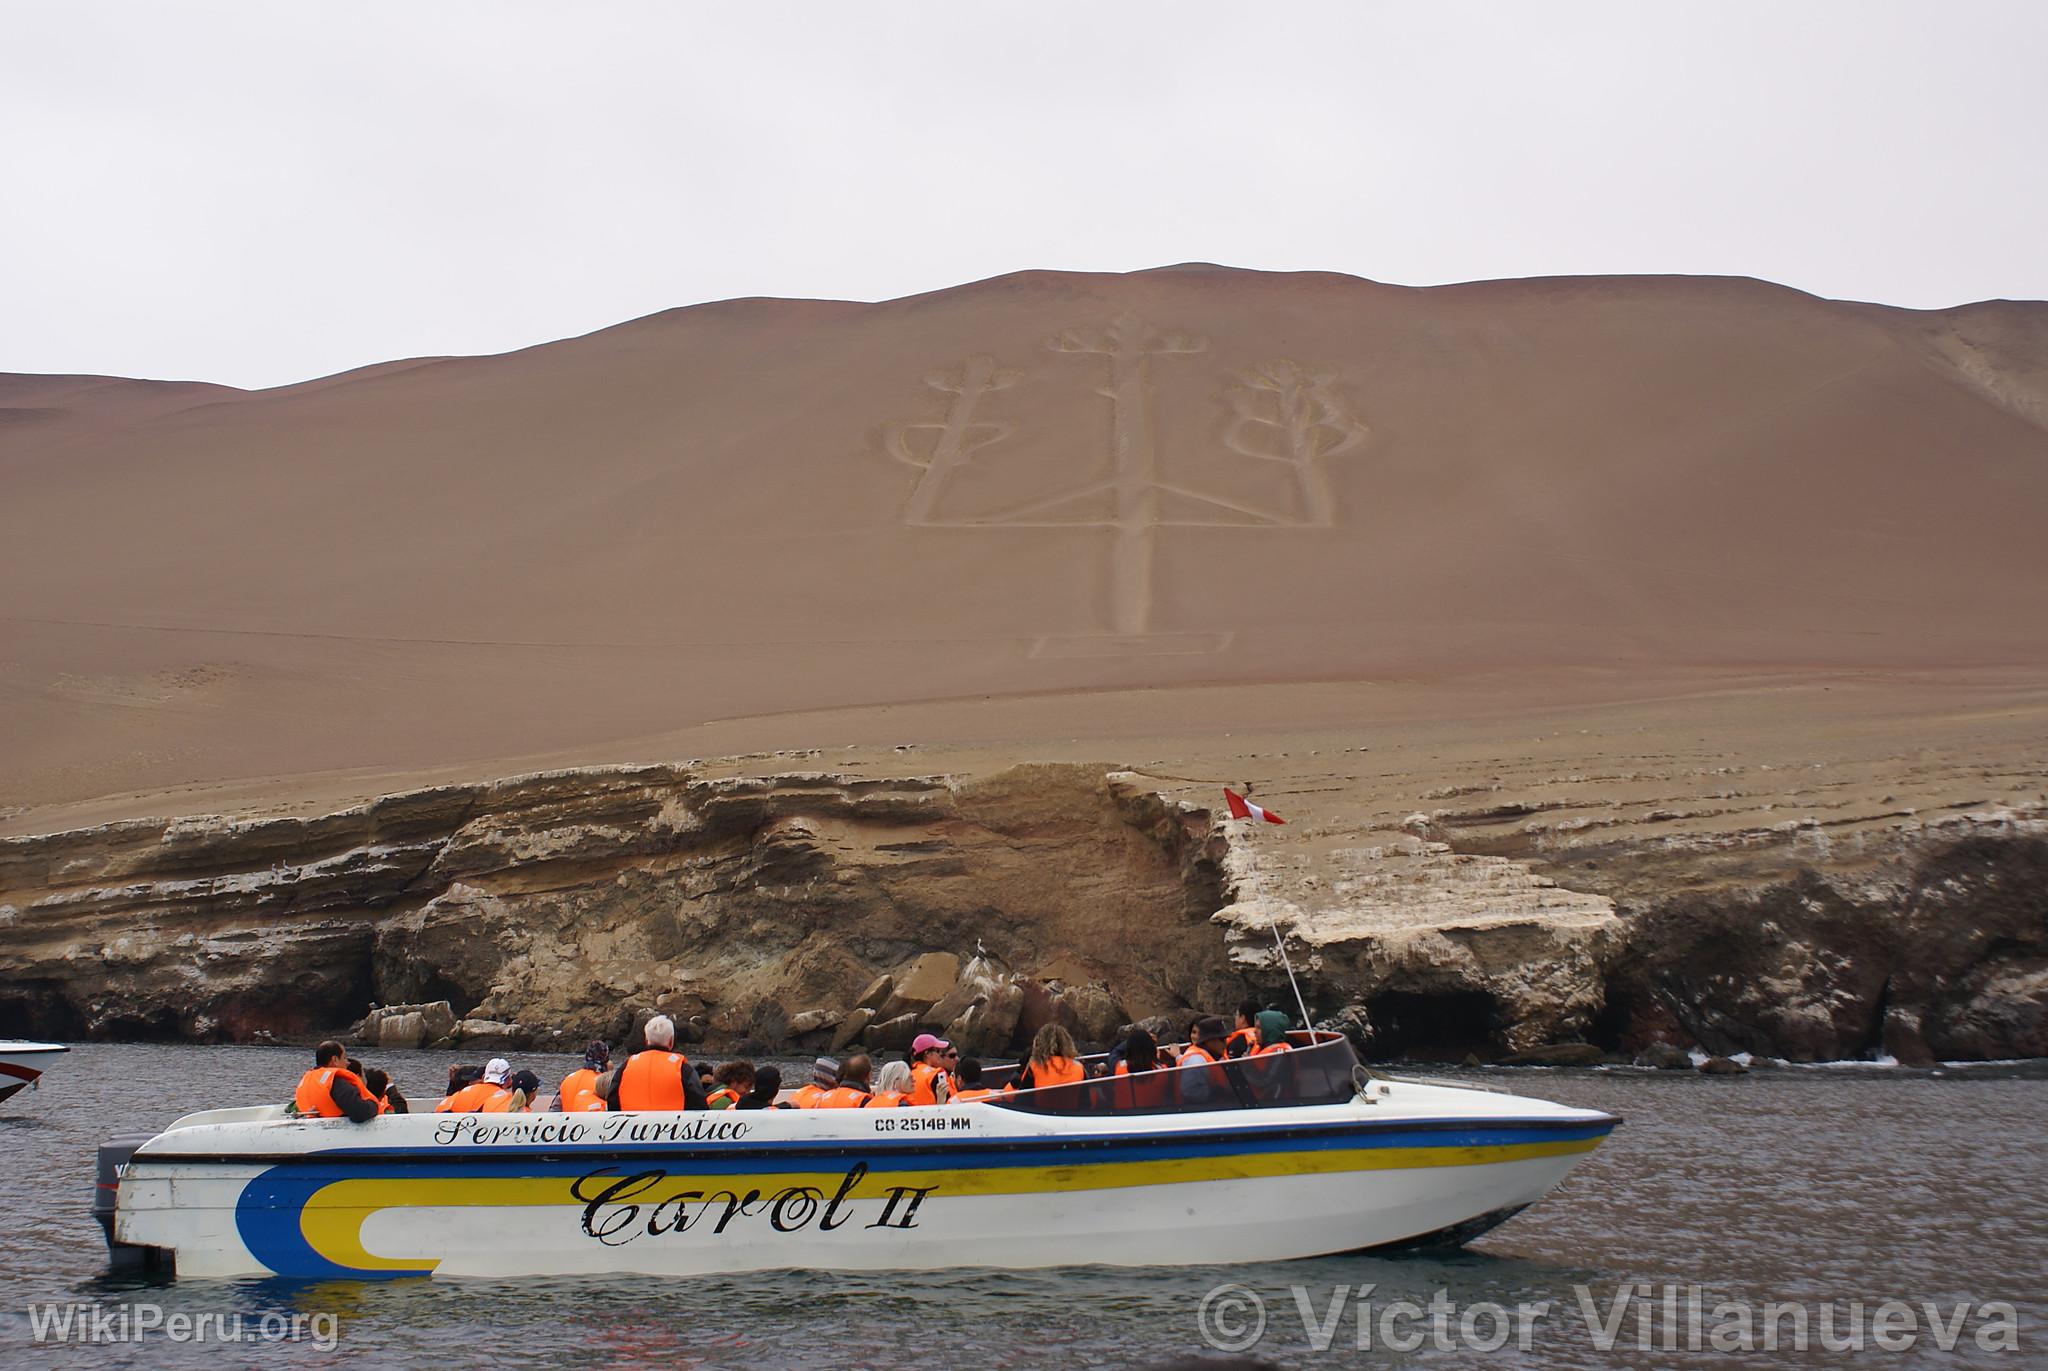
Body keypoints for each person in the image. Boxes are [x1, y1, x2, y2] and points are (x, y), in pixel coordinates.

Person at [605, 1015, 706, 1111]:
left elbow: (612, 1100)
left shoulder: (626, 1066)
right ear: (671, 1041)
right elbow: (698, 1102)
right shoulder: (682, 1069)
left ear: (646, 1040)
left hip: (633, 1126)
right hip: (672, 1127)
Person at [292, 1041, 379, 1122]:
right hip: (336, 1133)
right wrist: (373, 1104)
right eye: (344, 1057)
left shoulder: (307, 1080)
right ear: (335, 1060)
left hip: (314, 1129)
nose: (347, 1063)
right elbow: (360, 1113)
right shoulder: (336, 1082)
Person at [1175, 1017, 1234, 1105]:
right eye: (1222, 1040)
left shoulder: (1216, 1055)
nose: (1225, 1043)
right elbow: (1190, 1092)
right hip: (1196, 1112)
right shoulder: (1196, 1060)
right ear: (1209, 1040)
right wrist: (1218, 1091)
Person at [1011, 1024, 1085, 1093]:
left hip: (1038, 1107)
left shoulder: (1035, 1065)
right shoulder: (1079, 1067)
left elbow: (1023, 1095)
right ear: (1068, 1043)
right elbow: (1086, 1100)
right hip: (1069, 1106)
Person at [1111, 1029, 1171, 1110]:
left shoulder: (1119, 1067)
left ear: (1129, 1048)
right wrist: (1156, 1060)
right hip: (1154, 1115)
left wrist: (1133, 1040)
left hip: (1124, 1116)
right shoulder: (1163, 1070)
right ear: (1151, 1048)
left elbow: (1115, 1053)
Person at [439, 1057, 516, 1112]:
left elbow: (441, 1109)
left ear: (483, 1077)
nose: (469, 1082)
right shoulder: (507, 1099)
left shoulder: (459, 1094)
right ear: (509, 1081)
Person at [558, 1041, 610, 1113]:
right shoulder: (604, 1083)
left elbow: (555, 1107)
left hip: (567, 1122)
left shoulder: (568, 1079)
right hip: (593, 1122)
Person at [907, 1034, 955, 1105]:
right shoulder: (936, 1075)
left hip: (914, 1115)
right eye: (938, 1051)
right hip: (934, 1115)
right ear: (927, 1054)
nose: (940, 1054)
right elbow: (949, 1103)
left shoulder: (908, 1073)